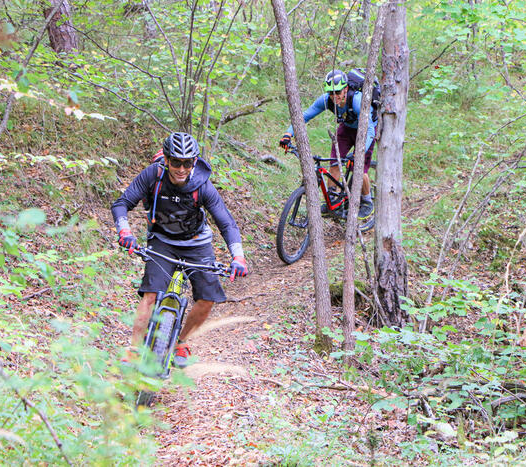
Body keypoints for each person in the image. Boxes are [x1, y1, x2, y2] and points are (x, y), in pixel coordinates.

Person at [111, 131, 248, 367]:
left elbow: (226, 223)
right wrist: (125, 232)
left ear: (194, 161)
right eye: (176, 162)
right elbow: (122, 203)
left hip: (197, 243)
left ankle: (181, 342)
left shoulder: (203, 186)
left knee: (208, 297)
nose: (181, 168)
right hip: (162, 240)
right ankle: (133, 349)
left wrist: (238, 257)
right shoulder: (153, 176)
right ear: (166, 159)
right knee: (151, 292)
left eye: (187, 163)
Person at [279, 69, 376, 227]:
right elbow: (304, 116)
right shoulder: (327, 100)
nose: (335, 96)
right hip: (347, 128)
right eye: (331, 93)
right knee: (334, 164)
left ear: (345, 89)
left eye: (338, 92)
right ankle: (332, 201)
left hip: (366, 131)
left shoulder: (357, 100)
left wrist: (358, 153)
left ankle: (366, 201)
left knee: (358, 168)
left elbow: (370, 129)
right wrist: (288, 134)